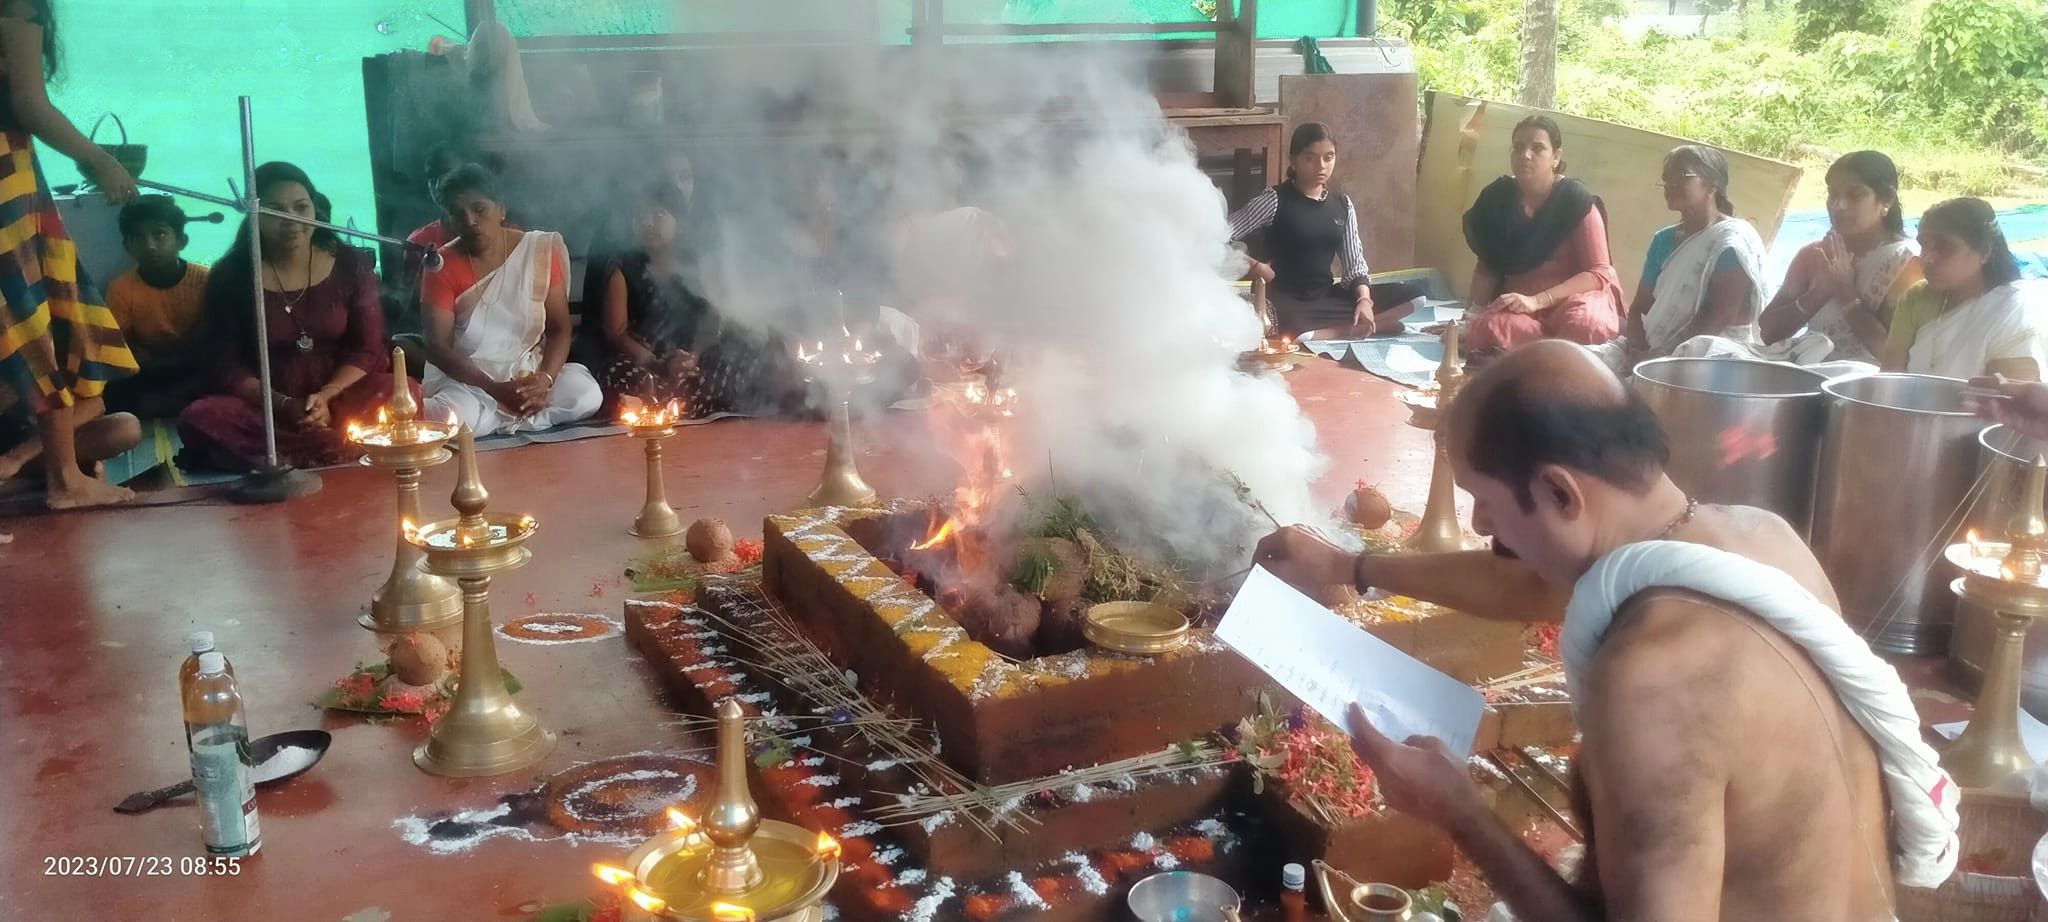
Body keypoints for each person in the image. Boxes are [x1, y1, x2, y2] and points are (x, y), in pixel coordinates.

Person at [1254, 340, 1961, 921]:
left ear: (1562, 491)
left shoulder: (1654, 684)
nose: (1480, 527)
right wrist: (1349, 564)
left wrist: (1460, 813)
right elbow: (1531, 578)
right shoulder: (1758, 541)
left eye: (1485, 502)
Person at [178, 162, 412, 471]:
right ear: (255, 215)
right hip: (266, 407)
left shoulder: (350, 264)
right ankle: (333, 446)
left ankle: (298, 451)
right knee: (200, 417)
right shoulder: (232, 275)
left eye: (301, 207)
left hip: (341, 398)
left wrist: (326, 397)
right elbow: (226, 365)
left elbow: (367, 348)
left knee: (404, 392)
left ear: (315, 209)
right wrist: (285, 405)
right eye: (275, 210)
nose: (291, 221)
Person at [0, 0, 141, 508]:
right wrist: (99, 160)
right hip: (5, 176)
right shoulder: (14, 13)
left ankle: (43, 471)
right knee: (33, 317)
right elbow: (30, 103)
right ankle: (64, 479)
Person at [1679, 151, 1921, 370]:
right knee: (1703, 348)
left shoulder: (1906, 262)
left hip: (1859, 382)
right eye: (1833, 195)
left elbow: (1891, 354)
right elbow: (1769, 331)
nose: (1839, 206)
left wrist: (1846, 293)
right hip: (1805, 367)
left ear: (1886, 201)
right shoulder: (1815, 254)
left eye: (1855, 195)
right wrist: (1818, 293)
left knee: (1853, 370)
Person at [417, 163, 599, 434]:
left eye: (479, 209)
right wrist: (495, 389)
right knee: (450, 417)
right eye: (458, 214)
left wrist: (544, 380)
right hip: (469, 381)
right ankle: (520, 415)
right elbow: (439, 349)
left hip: (525, 371)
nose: (470, 221)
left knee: (586, 394)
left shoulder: (538, 250)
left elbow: (560, 329)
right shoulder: (440, 265)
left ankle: (515, 411)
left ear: (500, 209)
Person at [1229, 122, 1423, 338]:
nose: (1321, 166)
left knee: (1415, 296)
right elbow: (1219, 235)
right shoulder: (1274, 200)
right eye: (1310, 158)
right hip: (1286, 301)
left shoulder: (1343, 205)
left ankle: (1354, 325)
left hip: (1327, 297)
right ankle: (1363, 327)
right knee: (1289, 324)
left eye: (1328, 157)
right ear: (1293, 160)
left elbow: (1355, 265)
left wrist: (1364, 301)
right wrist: (1255, 266)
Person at [599, 183, 777, 417]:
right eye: (640, 216)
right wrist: (659, 363)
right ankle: (688, 400)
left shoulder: (697, 264)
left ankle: (681, 400)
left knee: (745, 358)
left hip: (696, 361)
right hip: (648, 361)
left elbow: (715, 316)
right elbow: (617, 332)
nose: (648, 222)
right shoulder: (623, 267)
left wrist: (693, 357)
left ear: (679, 221)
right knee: (615, 371)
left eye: (659, 214)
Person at [1594, 145, 1770, 373]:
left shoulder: (1730, 241)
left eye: (1681, 177)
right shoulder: (1663, 240)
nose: (1670, 185)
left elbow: (1720, 315)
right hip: (1648, 346)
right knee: (1575, 365)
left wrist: (1662, 358)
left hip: (1711, 350)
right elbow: (1639, 307)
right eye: (1667, 179)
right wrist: (1637, 349)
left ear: (1712, 184)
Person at [1461, 117, 1624, 356]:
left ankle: (1549, 355)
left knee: (1586, 324)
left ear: (1556, 157)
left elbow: (1598, 274)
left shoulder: (1575, 201)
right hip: (1523, 309)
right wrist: (1470, 318)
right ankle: (1554, 353)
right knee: (1486, 328)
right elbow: (1488, 266)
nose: (1525, 155)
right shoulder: (1496, 199)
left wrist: (1538, 300)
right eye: (1518, 147)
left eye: (1537, 148)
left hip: (1573, 301)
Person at [1881, 197, 2044, 380]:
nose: (1927, 258)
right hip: (1909, 406)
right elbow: (1889, 379)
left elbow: (2007, 398)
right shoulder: (1915, 298)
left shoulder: (2011, 311)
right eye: (1924, 245)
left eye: (1944, 247)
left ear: (1984, 252)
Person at [102, 195, 211, 417]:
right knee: (111, 391)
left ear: (181, 240)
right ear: (127, 246)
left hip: (196, 364)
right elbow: (120, 347)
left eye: (159, 234)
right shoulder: (121, 289)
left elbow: (216, 337)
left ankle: (176, 404)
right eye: (138, 237)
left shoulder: (204, 280)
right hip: (149, 368)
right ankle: (185, 405)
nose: (149, 245)